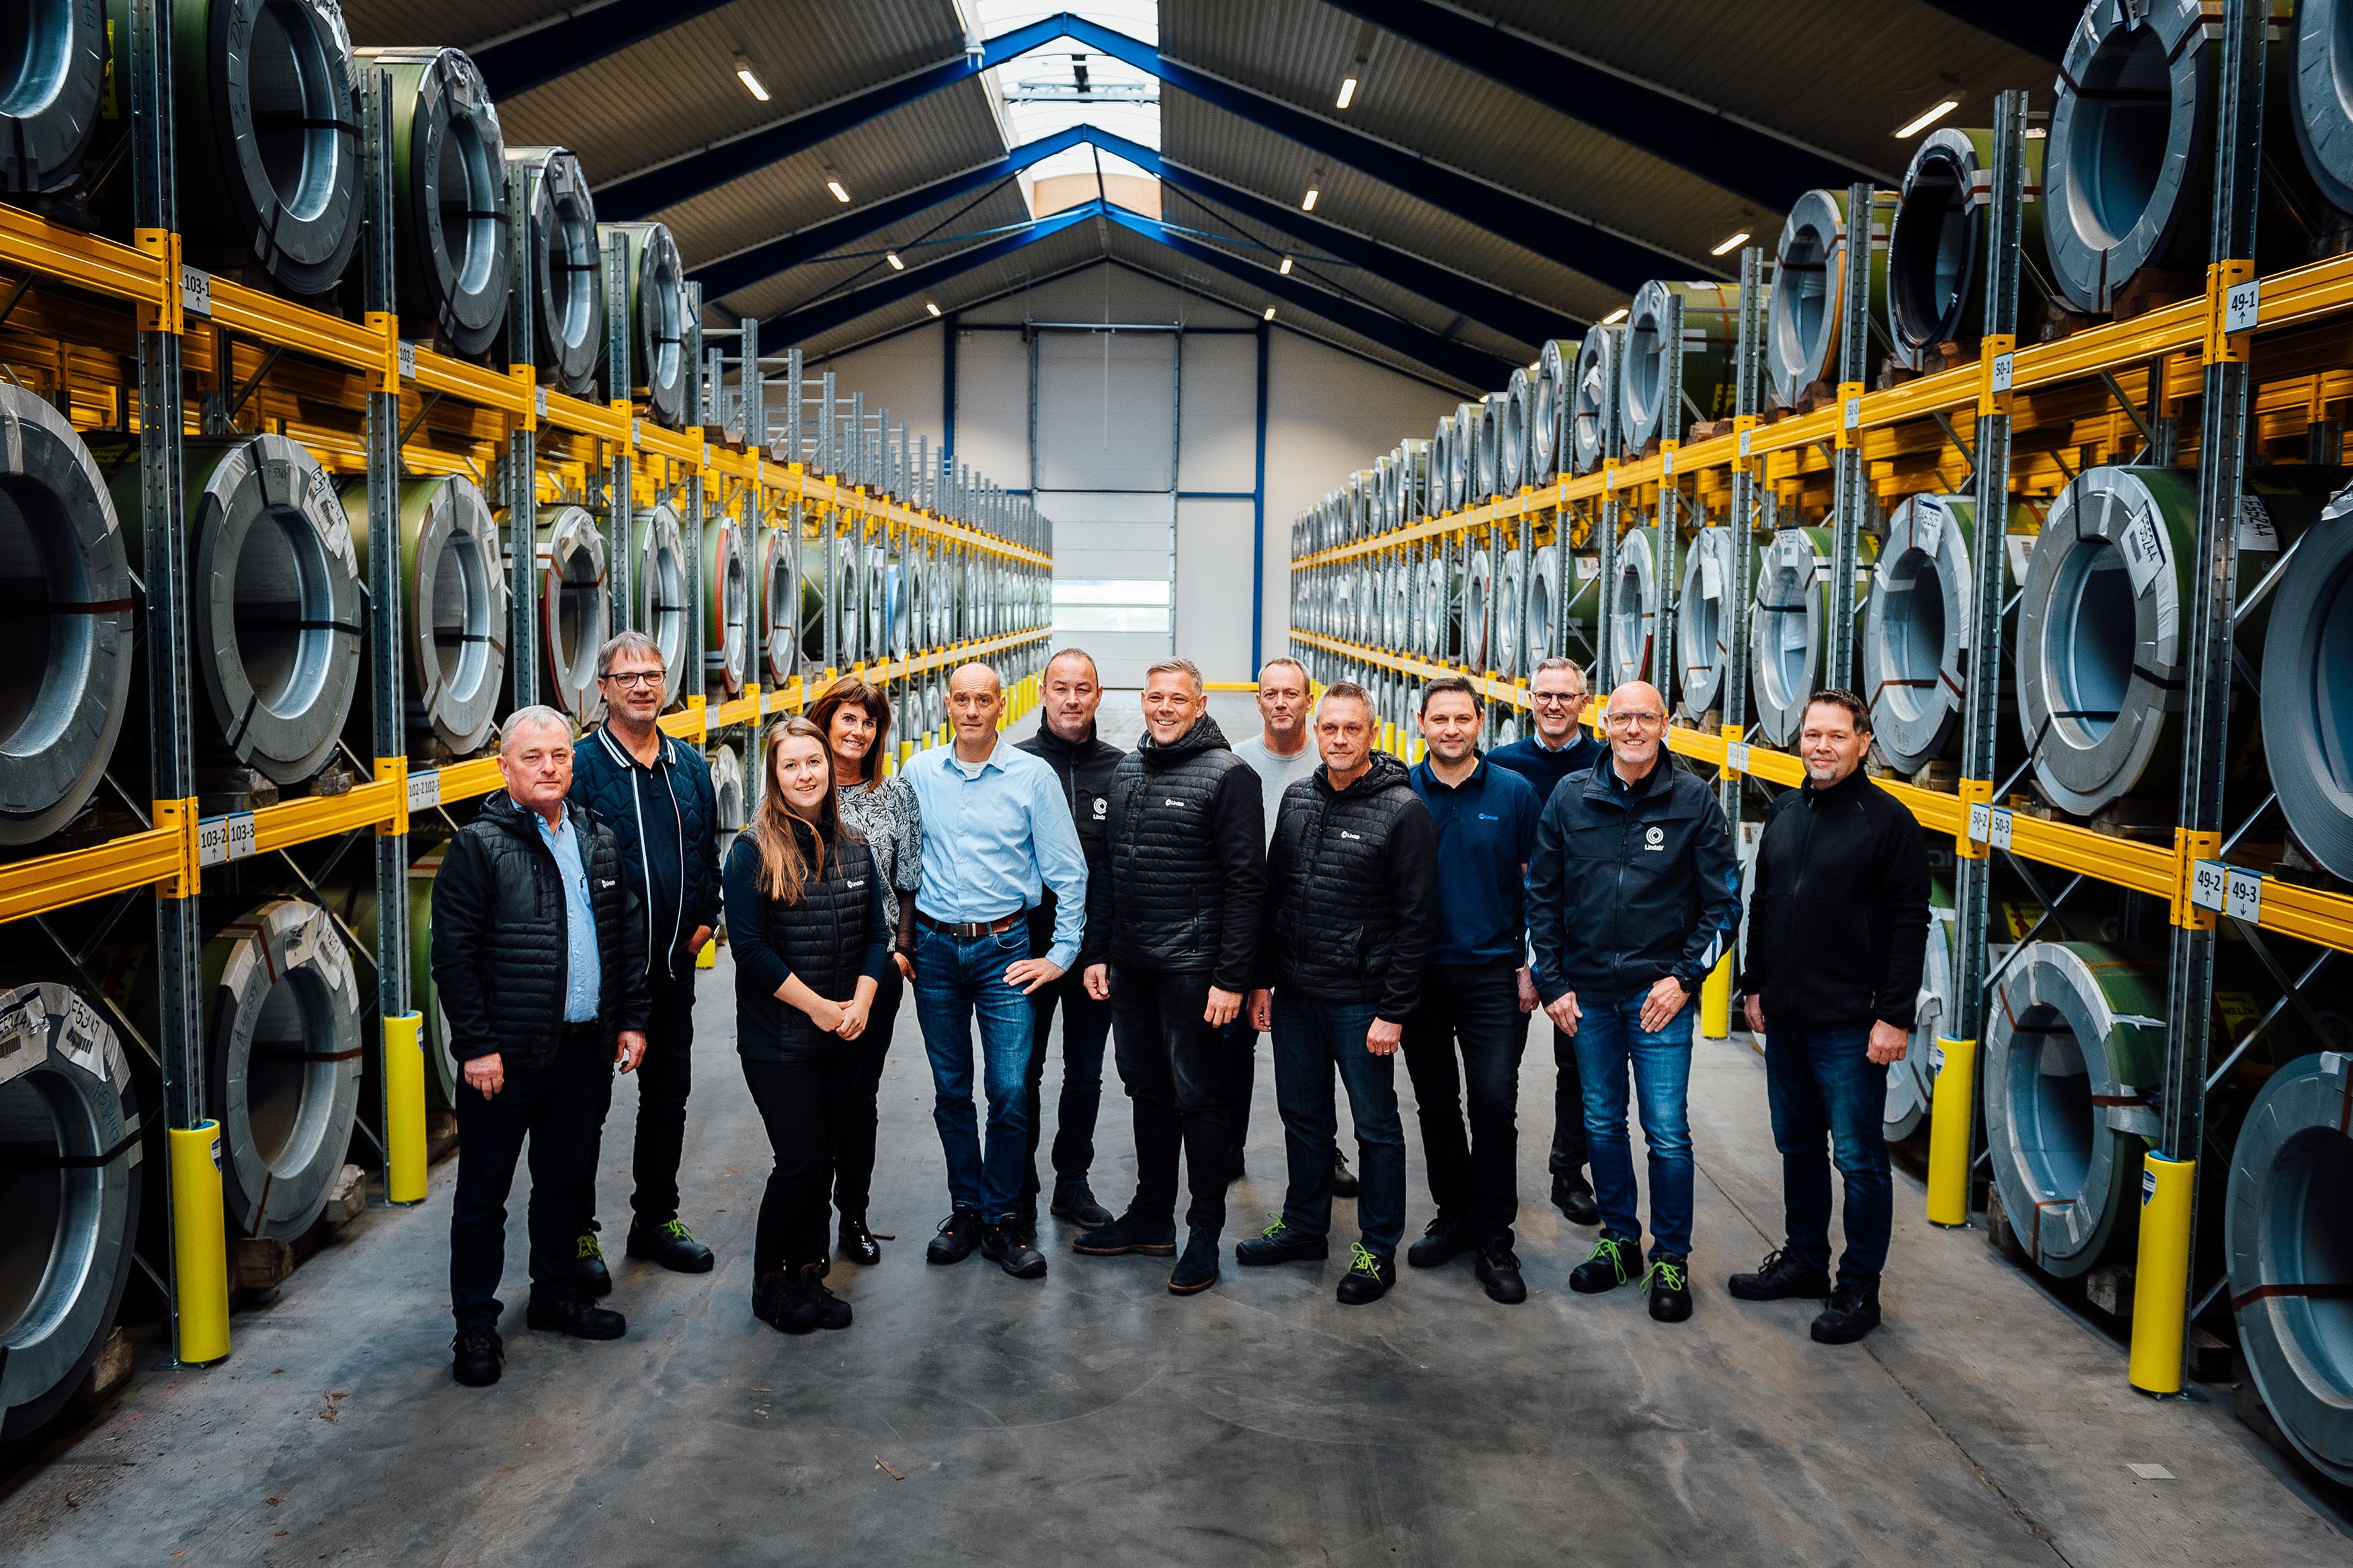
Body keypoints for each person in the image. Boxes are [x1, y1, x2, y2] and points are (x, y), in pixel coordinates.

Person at [434, 707, 649, 1387]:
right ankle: (475, 1323)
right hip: (505, 1058)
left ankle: (555, 1294)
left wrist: (630, 1019)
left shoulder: (597, 837)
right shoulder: (478, 846)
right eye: (532, 756)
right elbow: (454, 957)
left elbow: (625, 936)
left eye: (560, 754)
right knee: (484, 1195)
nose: (549, 767)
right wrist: (477, 1045)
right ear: (504, 767)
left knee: (564, 1183)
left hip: (582, 1050)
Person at [1527, 679, 1737, 1325]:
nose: (1634, 728)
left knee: (1666, 1131)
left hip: (1657, 997)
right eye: (1622, 718)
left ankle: (1670, 1255)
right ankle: (1620, 1239)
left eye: (1646, 717)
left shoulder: (1694, 800)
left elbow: (1724, 905)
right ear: (1605, 724)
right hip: (1587, 994)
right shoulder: (1571, 796)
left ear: (1665, 724)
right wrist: (1553, 982)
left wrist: (1684, 980)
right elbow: (1541, 895)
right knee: (1601, 1121)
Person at [1730, 690, 1929, 1344]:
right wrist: (1753, 984)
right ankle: (1804, 1259)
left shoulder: (1889, 821)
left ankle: (1859, 1287)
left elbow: (1910, 924)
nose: (1820, 746)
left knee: (1860, 1160)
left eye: (1836, 735)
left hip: (1850, 1023)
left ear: (1863, 742)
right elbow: (1762, 901)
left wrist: (1893, 1016)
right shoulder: (1786, 810)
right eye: (1811, 734)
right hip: (1786, 1016)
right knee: (1796, 1146)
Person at [1242, 682, 1437, 1305]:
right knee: (1303, 1116)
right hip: (1297, 994)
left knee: (1375, 1125)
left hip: (1361, 1001)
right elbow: (1274, 894)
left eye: (1353, 729)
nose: (1340, 739)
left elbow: (1417, 923)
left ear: (1372, 734)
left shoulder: (1403, 810)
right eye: (1330, 728)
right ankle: (1305, 1226)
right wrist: (1262, 979)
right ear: (1316, 731)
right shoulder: (1298, 797)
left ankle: (1378, 1248)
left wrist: (1394, 1010)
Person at [1077, 658, 1264, 1295]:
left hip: (1193, 968)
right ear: (1142, 700)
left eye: (1177, 698)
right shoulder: (1129, 769)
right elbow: (1109, 869)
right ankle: (1151, 1215)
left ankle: (1204, 1231)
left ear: (1200, 703)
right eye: (1155, 696)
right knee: (1147, 1091)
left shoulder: (1229, 774)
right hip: (1133, 966)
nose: (1164, 708)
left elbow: (1247, 884)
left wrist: (1231, 977)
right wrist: (1099, 951)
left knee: (1199, 1097)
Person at [903, 661, 1089, 1280]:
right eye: (962, 699)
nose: (972, 710)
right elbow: (897, 863)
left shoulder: (1032, 776)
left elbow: (1069, 871)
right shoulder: (919, 773)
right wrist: (899, 941)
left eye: (984, 699)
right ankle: (968, 1208)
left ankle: (1004, 1218)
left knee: (1009, 1090)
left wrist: (1061, 954)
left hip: (1005, 948)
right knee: (951, 1088)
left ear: (1001, 704)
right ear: (947, 704)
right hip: (933, 949)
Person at [726, 717, 893, 1335]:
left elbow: (877, 932)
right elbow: (750, 949)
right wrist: (820, 1007)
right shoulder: (752, 850)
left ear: (829, 767)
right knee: (798, 1160)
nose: (805, 775)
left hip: (845, 1032)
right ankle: (768, 1280)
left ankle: (807, 1273)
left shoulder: (854, 845)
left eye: (814, 762)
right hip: (780, 1040)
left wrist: (863, 1001)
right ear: (774, 775)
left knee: (824, 1158)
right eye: (791, 765)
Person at [566, 631, 721, 1287]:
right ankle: (575, 1231)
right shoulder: (579, 767)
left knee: (667, 1098)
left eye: (652, 674)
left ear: (665, 683)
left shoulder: (689, 767)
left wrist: (706, 920)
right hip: (603, 980)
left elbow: (708, 852)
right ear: (602, 687)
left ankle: (655, 1217)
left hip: (671, 972)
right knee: (585, 1107)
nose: (641, 686)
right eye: (626, 676)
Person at [1400, 677, 1542, 1305]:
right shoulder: (1402, 789)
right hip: (1421, 974)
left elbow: (1539, 884)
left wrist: (1532, 963)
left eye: (1462, 718)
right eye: (1440, 719)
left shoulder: (1514, 792)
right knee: (1436, 1103)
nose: (1451, 729)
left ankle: (1494, 1236)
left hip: (1493, 975)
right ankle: (1453, 1215)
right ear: (1421, 722)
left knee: (1492, 1102)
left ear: (1481, 721)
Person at [1226, 657, 1357, 1201]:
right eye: (1271, 693)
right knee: (1233, 1042)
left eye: (1291, 693)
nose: (1281, 702)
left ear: (1309, 700)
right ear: (1258, 700)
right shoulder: (1234, 761)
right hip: (1246, 920)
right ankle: (1227, 1147)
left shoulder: (1332, 755)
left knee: (1316, 1047)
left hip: (1314, 923)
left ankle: (1325, 1152)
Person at [1485, 655, 1605, 1227]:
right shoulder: (1501, 764)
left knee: (1576, 1064)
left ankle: (1568, 1172)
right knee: (1496, 1069)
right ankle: (1492, 1181)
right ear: (1528, 699)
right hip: (1508, 933)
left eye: (1565, 695)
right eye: (1543, 695)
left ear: (1585, 701)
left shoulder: (1606, 763)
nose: (1554, 705)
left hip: (1579, 934)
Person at [810, 676, 924, 1266]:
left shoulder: (895, 793)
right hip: (808, 968)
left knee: (859, 1097)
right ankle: (808, 1219)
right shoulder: (801, 784)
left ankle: (852, 1216)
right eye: (848, 718)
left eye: (869, 721)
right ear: (826, 721)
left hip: (875, 970)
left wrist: (901, 951)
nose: (858, 731)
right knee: (811, 1099)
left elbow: (908, 881)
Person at [1012, 649, 1121, 1233]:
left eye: (1083, 688)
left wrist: (1100, 948)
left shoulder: (1121, 770)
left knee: (1085, 1072)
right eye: (1062, 688)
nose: (1072, 699)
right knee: (1022, 1071)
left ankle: (1072, 1183)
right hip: (1027, 948)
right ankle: (1019, 1185)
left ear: (1098, 695)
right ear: (1043, 692)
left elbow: (1121, 867)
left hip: (1094, 955)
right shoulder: (1015, 763)